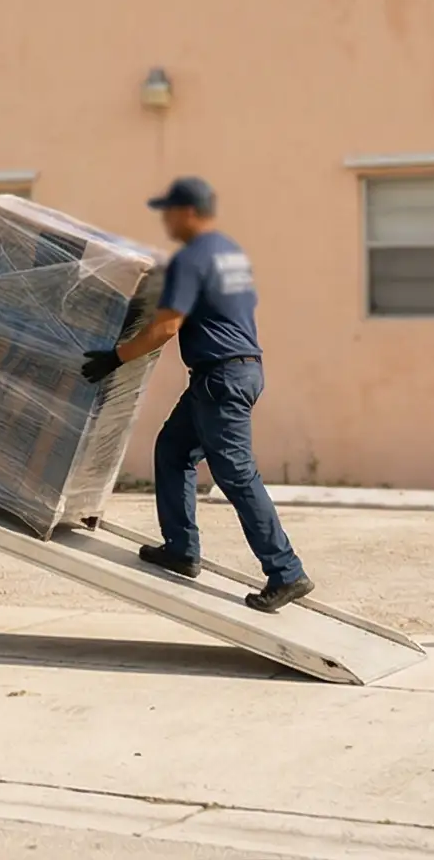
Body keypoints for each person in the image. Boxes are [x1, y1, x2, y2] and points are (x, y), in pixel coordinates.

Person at [81, 176, 312, 612]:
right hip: (235, 371)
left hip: (220, 379)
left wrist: (116, 357)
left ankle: (286, 571)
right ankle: (181, 549)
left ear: (188, 212)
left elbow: (167, 326)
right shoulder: (230, 253)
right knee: (172, 449)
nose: (165, 220)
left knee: (237, 475)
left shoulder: (192, 259)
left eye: (168, 211)